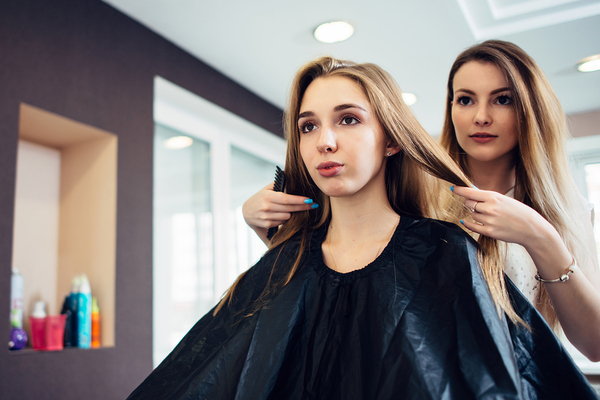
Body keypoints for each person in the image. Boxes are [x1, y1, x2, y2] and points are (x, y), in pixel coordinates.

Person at [128, 57, 595, 399]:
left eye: (348, 119)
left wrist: (539, 236)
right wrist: (277, 242)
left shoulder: (446, 245)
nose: (325, 142)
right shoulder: (432, 209)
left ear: (391, 139)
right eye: (308, 127)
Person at [242, 40, 600, 362]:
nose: (481, 116)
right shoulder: (421, 199)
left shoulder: (569, 212)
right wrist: (270, 233)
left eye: (502, 99)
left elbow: (594, 345)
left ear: (529, 109)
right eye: (465, 99)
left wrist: (541, 237)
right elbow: (355, 291)